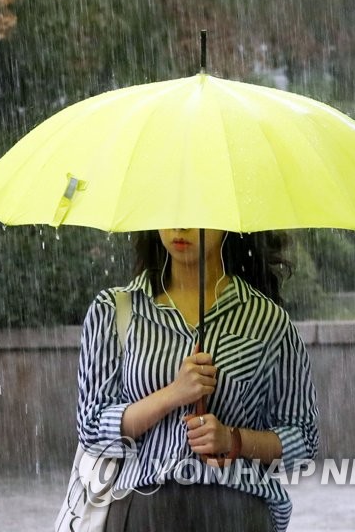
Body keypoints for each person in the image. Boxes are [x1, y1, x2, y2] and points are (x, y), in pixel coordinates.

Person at [76, 228, 319, 532]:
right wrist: (172, 395)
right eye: (172, 211)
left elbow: (304, 439)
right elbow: (92, 428)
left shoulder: (267, 321)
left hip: (236, 513)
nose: (180, 227)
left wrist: (234, 440)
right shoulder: (116, 310)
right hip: (143, 511)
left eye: (194, 214)